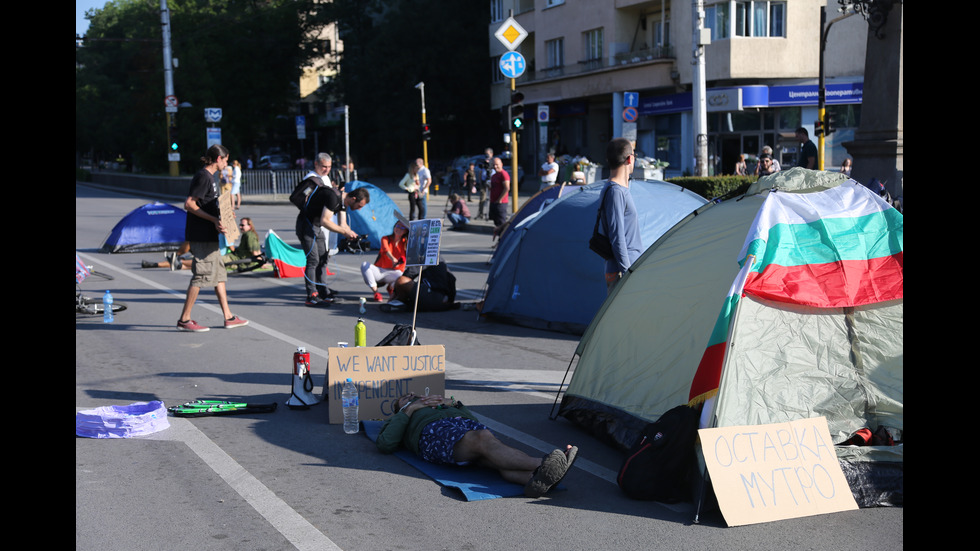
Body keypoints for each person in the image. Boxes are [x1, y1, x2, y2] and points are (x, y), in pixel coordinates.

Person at [377, 392, 578, 498]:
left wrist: (454, 403)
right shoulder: (402, 416)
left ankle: (535, 480)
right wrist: (409, 410)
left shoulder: (437, 404)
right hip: (432, 432)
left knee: (494, 456)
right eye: (406, 398)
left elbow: (472, 420)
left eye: (414, 395)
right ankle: (543, 463)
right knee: (481, 439)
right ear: (399, 407)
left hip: (461, 428)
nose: (414, 395)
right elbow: (386, 444)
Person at [176, 144, 249, 332]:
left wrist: (225, 214)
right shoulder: (203, 177)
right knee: (201, 276)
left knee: (219, 276)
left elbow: (208, 204)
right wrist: (213, 219)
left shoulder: (212, 178)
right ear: (218, 159)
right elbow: (190, 204)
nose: (227, 164)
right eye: (226, 160)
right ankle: (185, 319)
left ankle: (228, 317)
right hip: (201, 235)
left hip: (209, 234)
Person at [296, 168, 370, 307]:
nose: (359, 209)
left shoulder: (343, 201)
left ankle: (322, 291)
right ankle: (311, 295)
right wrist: (344, 232)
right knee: (313, 260)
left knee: (324, 258)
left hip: (315, 227)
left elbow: (343, 224)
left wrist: (351, 233)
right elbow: (325, 221)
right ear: (353, 199)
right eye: (359, 206)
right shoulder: (333, 197)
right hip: (306, 226)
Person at [597, 138, 641, 294]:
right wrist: (627, 271)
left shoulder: (617, 189)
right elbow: (617, 236)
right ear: (629, 159)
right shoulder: (616, 192)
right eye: (634, 155)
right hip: (621, 271)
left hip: (623, 267)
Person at [361, 221, 408, 302]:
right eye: (397, 226)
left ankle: (391, 288)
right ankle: (376, 292)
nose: (398, 228)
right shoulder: (386, 238)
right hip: (380, 270)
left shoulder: (406, 243)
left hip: (394, 272)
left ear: (406, 231)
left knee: (401, 277)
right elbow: (386, 250)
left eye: (402, 227)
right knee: (364, 265)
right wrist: (393, 259)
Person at [488, 156, 510, 231]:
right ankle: (499, 240)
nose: (495, 166)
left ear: (501, 164)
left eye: (497, 164)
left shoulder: (504, 174)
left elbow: (507, 188)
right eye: (494, 165)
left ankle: (502, 240)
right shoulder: (494, 176)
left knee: (501, 223)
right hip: (493, 202)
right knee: (496, 223)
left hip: (501, 203)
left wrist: (500, 199)